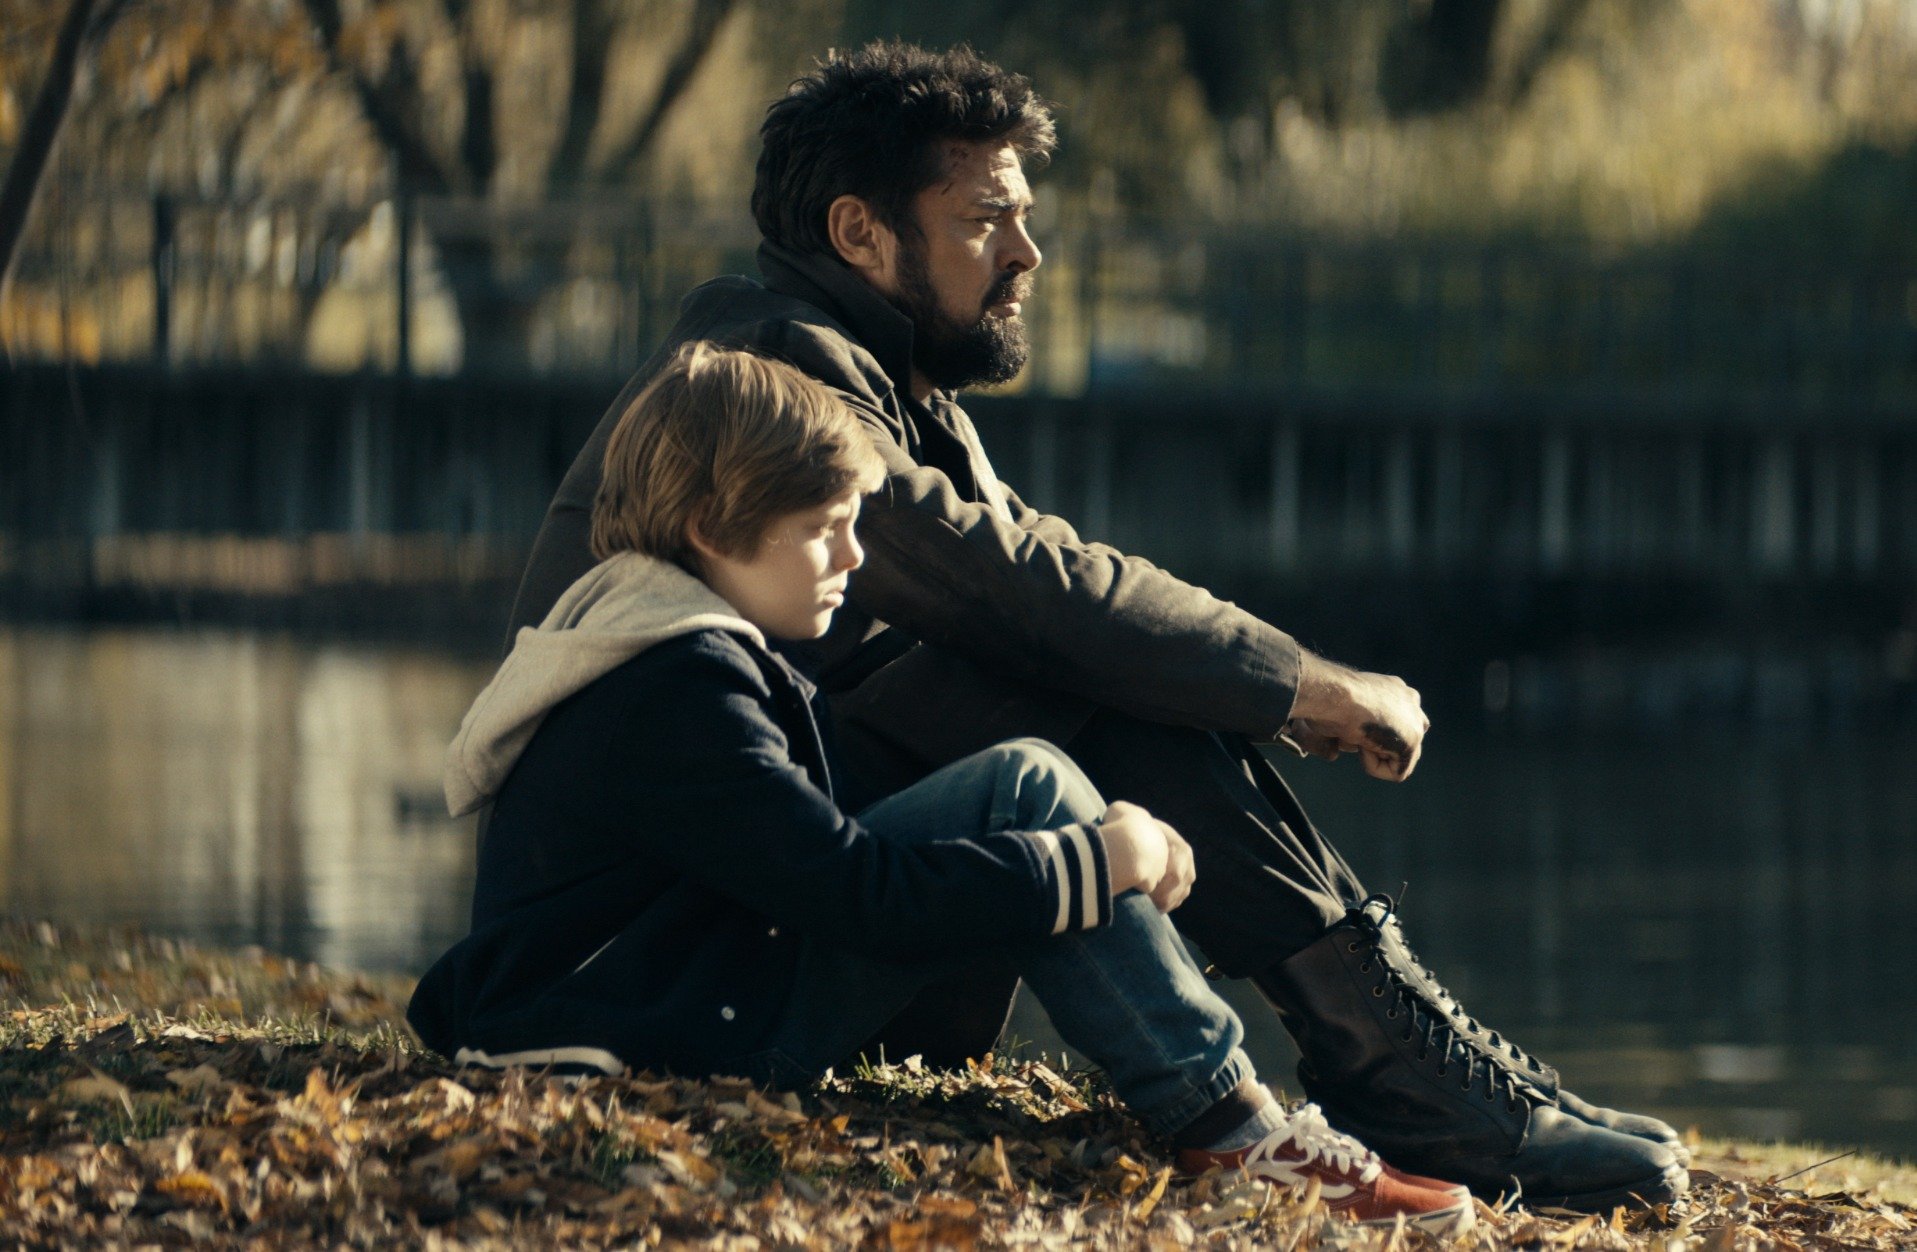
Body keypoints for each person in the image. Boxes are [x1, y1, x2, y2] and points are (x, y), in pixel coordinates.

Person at [499, 43, 1688, 1214]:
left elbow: (1056, 591)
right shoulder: (772, 372)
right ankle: (1378, 1068)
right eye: (986, 219)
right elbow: (1027, 594)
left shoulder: (892, 381)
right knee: (1065, 691)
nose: (1028, 252)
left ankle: (1390, 1050)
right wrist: (1302, 687)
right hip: (678, 955)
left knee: (1087, 678)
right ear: (860, 233)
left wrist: (1264, 688)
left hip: (756, 906)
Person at [407, 343, 1476, 1235]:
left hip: (671, 981)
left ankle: (1222, 1112)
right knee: (1028, 801)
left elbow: (810, 867)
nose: (852, 555)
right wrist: (1103, 861)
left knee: (1023, 778)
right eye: (823, 526)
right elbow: (854, 894)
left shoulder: (660, 637)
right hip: (644, 1023)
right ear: (708, 527)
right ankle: (1227, 1123)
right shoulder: (677, 680)